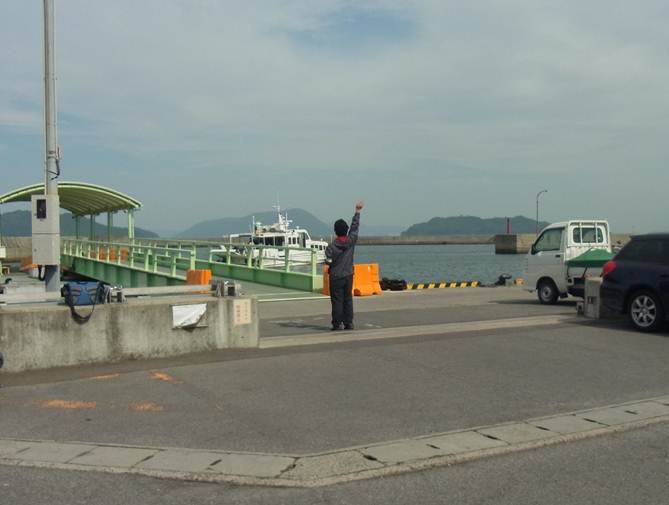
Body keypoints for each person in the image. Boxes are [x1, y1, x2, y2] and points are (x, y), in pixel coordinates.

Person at [325, 201, 364, 330]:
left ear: (335, 231)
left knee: (337, 300)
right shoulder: (351, 241)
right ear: (346, 230)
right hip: (348, 274)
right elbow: (355, 228)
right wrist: (357, 212)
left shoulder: (331, 247)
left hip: (336, 276)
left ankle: (337, 324)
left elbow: (328, 261)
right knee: (348, 299)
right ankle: (349, 323)